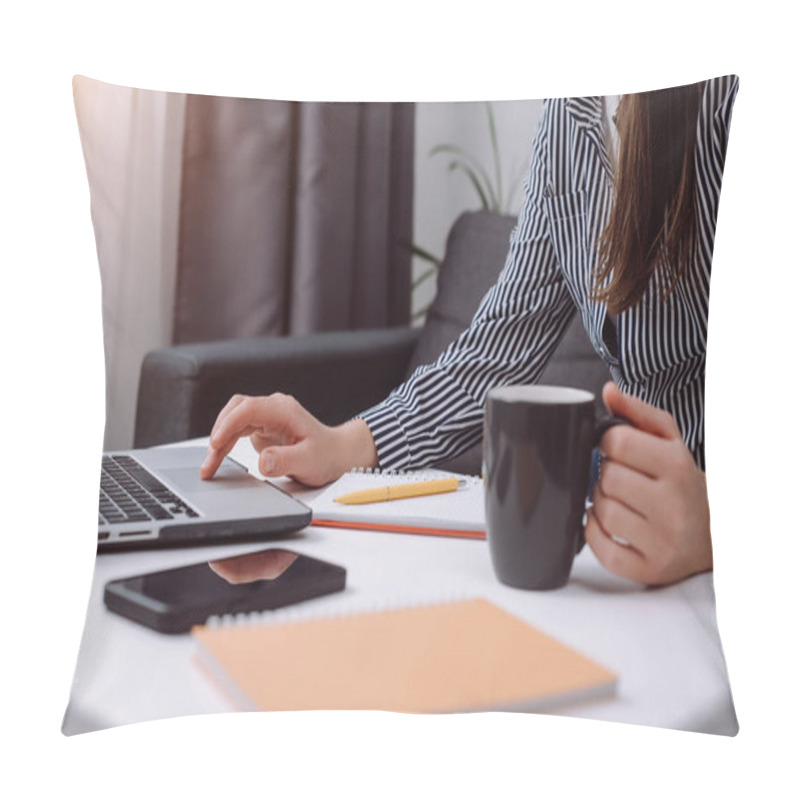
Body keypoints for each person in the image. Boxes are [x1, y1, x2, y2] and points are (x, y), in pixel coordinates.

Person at [200, 75, 739, 588]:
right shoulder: (570, 113)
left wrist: (716, 521)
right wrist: (343, 443)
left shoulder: (731, 89)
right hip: (638, 550)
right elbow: (496, 349)